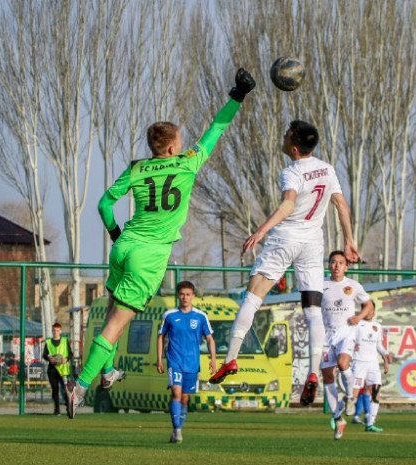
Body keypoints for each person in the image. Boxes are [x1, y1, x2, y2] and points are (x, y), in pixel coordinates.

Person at [66, 68, 255, 419]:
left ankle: (106, 372)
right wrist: (237, 96)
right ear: (171, 147)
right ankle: (79, 386)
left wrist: (116, 234)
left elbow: (104, 204)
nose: (183, 146)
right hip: (149, 255)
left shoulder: (137, 169)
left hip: (124, 247)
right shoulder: (186, 164)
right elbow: (215, 130)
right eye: (180, 142)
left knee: (112, 314)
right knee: (115, 325)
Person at [210, 120, 361, 408]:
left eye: (286, 133)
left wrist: (261, 231)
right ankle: (314, 372)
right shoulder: (327, 169)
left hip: (284, 239)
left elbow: (288, 204)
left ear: (293, 146)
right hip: (312, 245)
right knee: (313, 311)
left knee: (252, 299)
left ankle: (230, 360)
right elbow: (341, 204)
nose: (282, 134)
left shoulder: (291, 172)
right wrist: (349, 240)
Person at [156, 281, 216, 444]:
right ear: (178, 295)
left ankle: (177, 429)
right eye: (182, 294)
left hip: (192, 363)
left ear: (193, 296)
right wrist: (159, 359)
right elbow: (161, 336)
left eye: (188, 294)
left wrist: (213, 359)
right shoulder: (169, 315)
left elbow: (209, 338)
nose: (185, 297)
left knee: (184, 399)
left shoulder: (200, 316)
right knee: (175, 393)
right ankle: (177, 429)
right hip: (174, 361)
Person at [320, 250, 372, 424]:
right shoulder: (321, 284)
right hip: (326, 334)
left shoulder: (353, 285)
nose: (337, 266)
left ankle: (350, 397)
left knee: (343, 363)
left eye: (340, 263)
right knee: (327, 376)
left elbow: (368, 304)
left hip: (347, 332)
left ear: (346, 267)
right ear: (328, 265)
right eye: (333, 262)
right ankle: (336, 416)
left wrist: (359, 317)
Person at [336, 302, 391, 438]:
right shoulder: (356, 324)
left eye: (371, 310)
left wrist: (385, 354)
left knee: (376, 392)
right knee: (352, 395)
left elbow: (379, 345)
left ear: (374, 312)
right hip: (358, 363)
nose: (369, 312)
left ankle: (370, 424)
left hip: (373, 364)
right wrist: (351, 345)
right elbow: (347, 340)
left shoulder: (377, 326)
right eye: (367, 309)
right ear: (363, 311)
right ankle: (336, 415)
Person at [42, 322, 73, 415]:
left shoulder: (65, 341)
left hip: (63, 370)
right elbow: (44, 355)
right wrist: (49, 358)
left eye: (57, 330)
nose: (55, 332)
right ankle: (57, 409)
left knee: (65, 389)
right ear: (52, 331)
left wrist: (66, 359)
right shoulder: (48, 342)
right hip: (52, 369)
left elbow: (71, 354)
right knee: (55, 389)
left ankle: (69, 408)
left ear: (60, 331)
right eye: (54, 330)